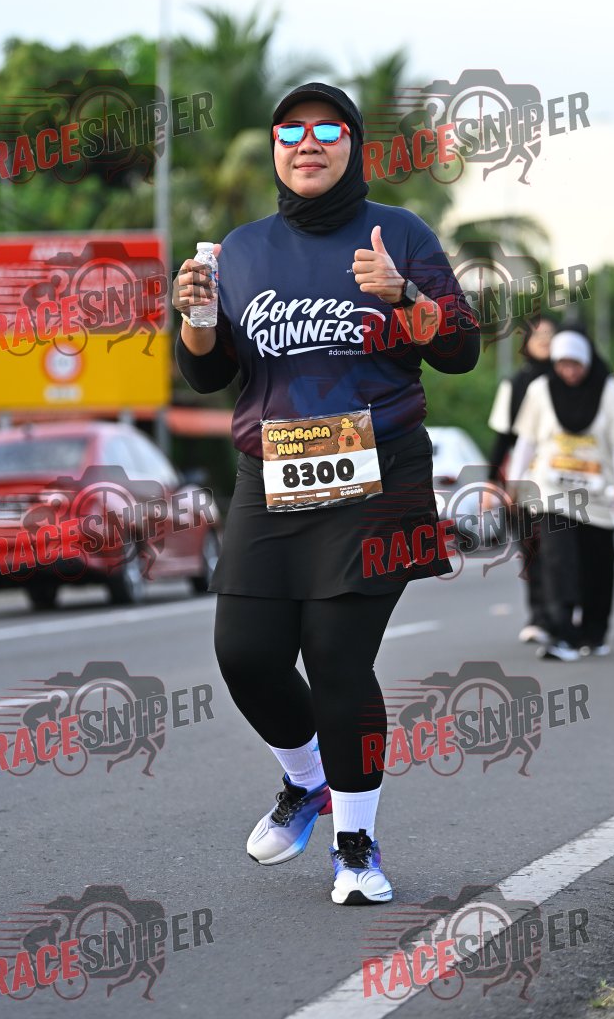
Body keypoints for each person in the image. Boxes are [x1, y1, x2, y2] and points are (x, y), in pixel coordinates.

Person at [172, 83, 479, 905]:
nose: (307, 143)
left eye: (327, 129)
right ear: (276, 148)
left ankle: (356, 845)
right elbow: (209, 373)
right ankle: (308, 781)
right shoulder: (240, 250)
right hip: (272, 473)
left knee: (338, 659)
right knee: (246, 655)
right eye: (290, 131)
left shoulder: (400, 234)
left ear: (353, 144)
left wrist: (406, 295)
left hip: (379, 473)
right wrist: (196, 319)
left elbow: (460, 349)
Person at [507, 329, 614, 660]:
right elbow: (527, 439)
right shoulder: (540, 390)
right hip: (553, 491)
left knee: (598, 563)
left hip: (597, 493)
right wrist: (514, 480)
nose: (569, 371)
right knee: (557, 561)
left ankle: (594, 632)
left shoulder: (608, 392)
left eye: (575, 364)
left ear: (587, 361)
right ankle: (561, 634)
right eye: (562, 364)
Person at [487, 315, 558, 646]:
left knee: (562, 548)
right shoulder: (515, 383)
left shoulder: (573, 378)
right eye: (537, 334)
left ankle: (565, 610)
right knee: (531, 548)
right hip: (524, 477)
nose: (544, 339)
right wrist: (492, 482)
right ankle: (539, 616)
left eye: (550, 334)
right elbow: (502, 437)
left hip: (566, 475)